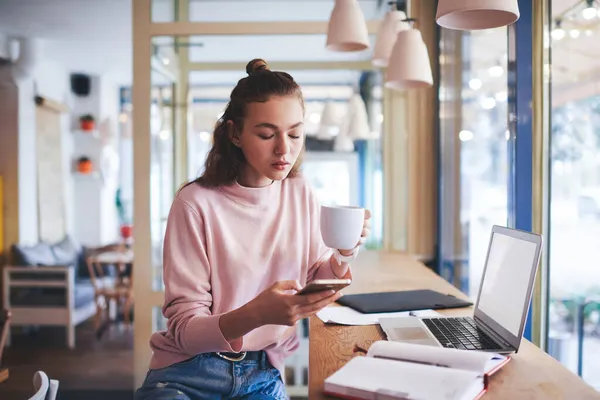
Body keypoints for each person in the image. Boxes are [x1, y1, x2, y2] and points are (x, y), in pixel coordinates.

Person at [134, 58, 371, 400]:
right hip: (188, 374)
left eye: (295, 134)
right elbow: (184, 330)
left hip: (261, 372)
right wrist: (256, 314)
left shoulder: (299, 191)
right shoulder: (194, 204)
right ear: (234, 134)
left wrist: (345, 252)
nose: (284, 149)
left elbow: (317, 276)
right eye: (266, 134)